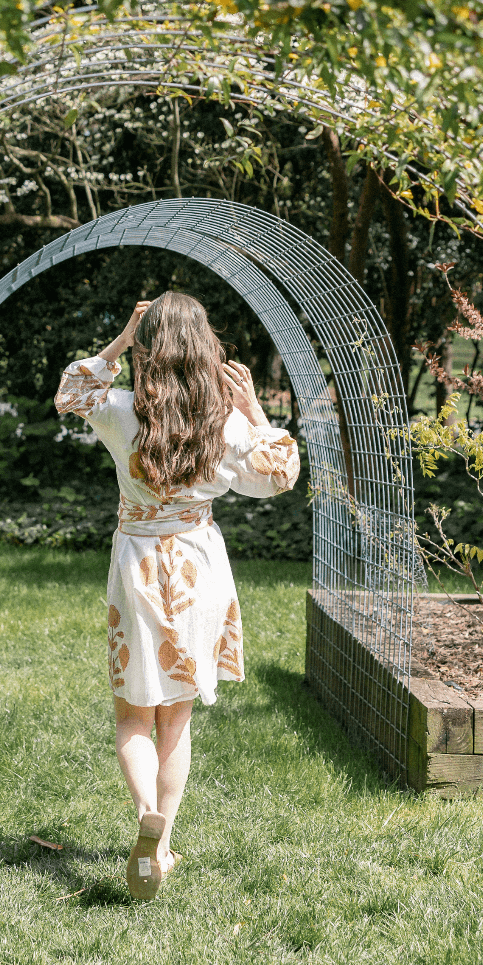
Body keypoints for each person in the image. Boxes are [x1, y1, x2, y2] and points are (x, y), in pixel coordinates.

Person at [55, 292, 301, 901]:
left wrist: (121, 339)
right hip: (199, 567)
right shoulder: (226, 424)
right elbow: (279, 477)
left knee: (133, 713)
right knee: (177, 716)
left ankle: (147, 815)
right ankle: (162, 846)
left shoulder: (121, 412)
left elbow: (71, 391)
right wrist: (253, 409)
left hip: (137, 564)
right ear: (205, 350)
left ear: (148, 351)